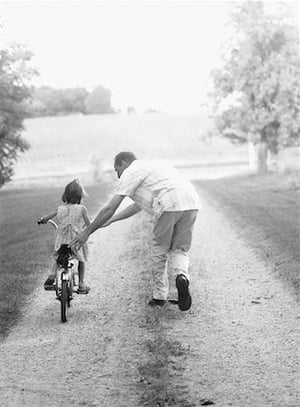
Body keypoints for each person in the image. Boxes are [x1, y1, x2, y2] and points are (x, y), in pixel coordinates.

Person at [70, 152, 200, 310]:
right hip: (192, 202)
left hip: (168, 204)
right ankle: (182, 276)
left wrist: (87, 232)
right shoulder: (154, 166)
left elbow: (110, 207)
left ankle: (159, 297)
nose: (117, 175)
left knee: (160, 249)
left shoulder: (131, 171)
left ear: (123, 163)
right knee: (180, 249)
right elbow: (137, 206)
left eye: (116, 169)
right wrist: (111, 221)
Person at [38, 179, 91, 294]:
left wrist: (42, 220)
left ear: (65, 195)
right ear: (79, 196)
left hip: (61, 239)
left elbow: (47, 217)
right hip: (75, 240)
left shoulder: (59, 208)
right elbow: (89, 225)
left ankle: (52, 275)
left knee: (59, 256)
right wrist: (87, 231)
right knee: (81, 260)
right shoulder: (82, 209)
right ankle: (81, 283)